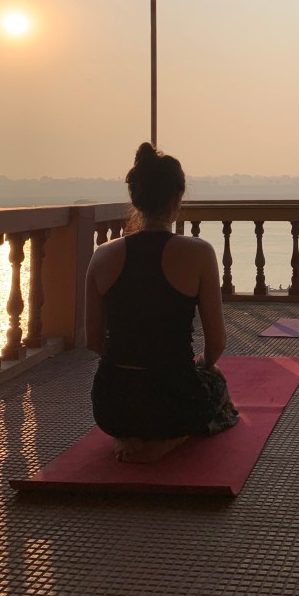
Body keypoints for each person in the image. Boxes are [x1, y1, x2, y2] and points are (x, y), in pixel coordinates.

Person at [86, 143, 239, 463]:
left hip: (112, 403)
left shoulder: (102, 256)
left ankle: (128, 434)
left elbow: (93, 341)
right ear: (176, 200)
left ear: (135, 199)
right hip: (174, 401)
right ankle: (172, 437)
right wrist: (202, 365)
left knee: (132, 388)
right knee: (217, 383)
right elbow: (216, 344)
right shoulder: (199, 253)